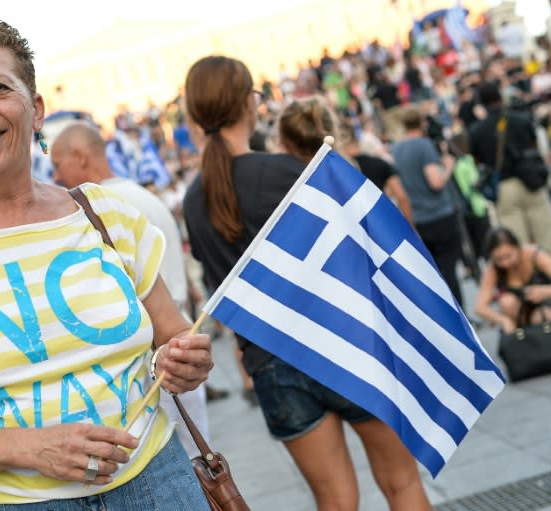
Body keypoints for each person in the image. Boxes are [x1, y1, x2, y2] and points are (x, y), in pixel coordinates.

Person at [0, 16, 212, 511]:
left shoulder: (105, 215)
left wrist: (182, 360)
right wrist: (29, 448)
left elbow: (174, 337)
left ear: (37, 109)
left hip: (158, 483)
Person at [182, 55, 431, 511]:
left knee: (334, 501)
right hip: (345, 343)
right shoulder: (283, 172)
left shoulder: (194, 200)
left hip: (271, 363)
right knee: (402, 484)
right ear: (246, 103)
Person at [49, 120, 210, 459]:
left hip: (155, 364)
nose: (56, 177)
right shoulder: (139, 195)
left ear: (79, 156)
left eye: (58, 164)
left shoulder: (109, 206)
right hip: (173, 351)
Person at [469, 81, 551, 257]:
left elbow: (477, 160)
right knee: (548, 237)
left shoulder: (477, 130)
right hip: (531, 180)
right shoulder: (521, 118)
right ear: (500, 96)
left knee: (518, 243)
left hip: (504, 187)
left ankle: (527, 278)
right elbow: (535, 146)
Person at [392, 106, 464, 307]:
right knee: (449, 270)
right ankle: (461, 316)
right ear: (422, 123)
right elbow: (436, 182)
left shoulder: (397, 149)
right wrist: (448, 166)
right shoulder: (423, 146)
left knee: (435, 273)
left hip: (418, 218)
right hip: (440, 215)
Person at [475, 226, 551, 333]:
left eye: (508, 256)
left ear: (517, 247)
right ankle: (524, 338)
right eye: (499, 259)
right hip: (520, 314)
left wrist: (547, 292)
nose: (505, 263)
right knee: (506, 301)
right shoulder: (493, 269)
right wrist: (503, 320)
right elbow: (480, 307)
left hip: (547, 305)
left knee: (540, 317)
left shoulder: (534, 254)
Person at [340, 122, 413, 222]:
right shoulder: (379, 164)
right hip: (384, 220)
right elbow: (401, 196)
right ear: (357, 140)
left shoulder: (342, 171)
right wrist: (410, 227)